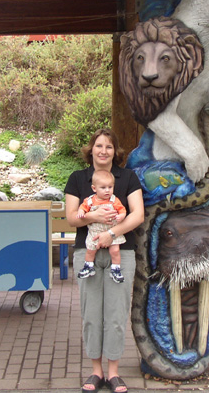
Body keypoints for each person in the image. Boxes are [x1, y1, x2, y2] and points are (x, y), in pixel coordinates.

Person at [65, 128, 144, 393]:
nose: (103, 151)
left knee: (116, 315)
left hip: (121, 253)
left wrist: (111, 234)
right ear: (91, 149)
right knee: (91, 315)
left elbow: (137, 215)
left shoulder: (128, 178)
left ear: (115, 151)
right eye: (99, 146)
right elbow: (72, 217)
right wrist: (96, 218)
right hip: (86, 252)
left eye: (109, 147)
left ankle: (113, 373)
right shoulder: (78, 179)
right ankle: (95, 371)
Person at [76, 169, 127, 283]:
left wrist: (121, 216)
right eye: (103, 188)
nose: (107, 190)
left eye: (110, 187)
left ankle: (116, 269)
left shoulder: (114, 200)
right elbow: (83, 208)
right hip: (95, 232)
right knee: (90, 250)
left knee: (115, 251)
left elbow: (122, 210)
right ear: (94, 188)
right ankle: (88, 266)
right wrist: (81, 212)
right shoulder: (90, 201)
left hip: (112, 230)